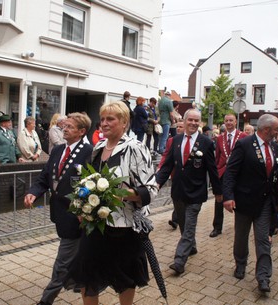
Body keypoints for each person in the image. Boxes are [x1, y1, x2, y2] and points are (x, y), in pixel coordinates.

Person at [64, 101, 158, 305]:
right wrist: (82, 205)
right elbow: (90, 181)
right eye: (103, 118)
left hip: (124, 228)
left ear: (124, 122)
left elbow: (150, 189)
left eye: (110, 119)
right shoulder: (98, 147)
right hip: (96, 225)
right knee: (87, 274)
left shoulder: (135, 148)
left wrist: (120, 194)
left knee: (125, 277)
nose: (104, 123)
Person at [24, 112, 93, 305]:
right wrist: (33, 192)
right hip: (60, 213)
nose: (65, 129)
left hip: (76, 217)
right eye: (65, 125)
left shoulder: (90, 152)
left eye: (70, 126)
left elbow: (93, 185)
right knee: (76, 255)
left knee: (63, 260)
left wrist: (84, 210)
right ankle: (78, 281)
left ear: (82, 131)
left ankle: (47, 299)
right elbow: (44, 177)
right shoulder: (57, 150)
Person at [156, 109, 222, 275]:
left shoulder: (206, 142)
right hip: (178, 191)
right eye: (190, 120)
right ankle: (191, 247)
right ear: (184, 121)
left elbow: (212, 169)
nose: (193, 123)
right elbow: (167, 166)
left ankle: (179, 261)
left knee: (190, 225)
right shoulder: (175, 140)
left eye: (196, 120)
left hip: (196, 192)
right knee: (184, 225)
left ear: (199, 123)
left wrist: (219, 192)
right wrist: (156, 183)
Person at [223, 114, 278, 293]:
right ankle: (240, 263)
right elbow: (231, 172)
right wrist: (228, 196)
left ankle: (263, 277)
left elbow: (275, 176)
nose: (277, 134)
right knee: (241, 236)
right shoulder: (244, 144)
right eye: (275, 130)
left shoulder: (273, 146)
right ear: (266, 130)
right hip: (245, 200)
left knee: (263, 239)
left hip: (265, 202)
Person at [210, 114, 246, 238]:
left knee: (238, 201)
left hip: (238, 174)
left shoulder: (243, 136)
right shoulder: (220, 138)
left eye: (231, 120)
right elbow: (218, 157)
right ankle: (217, 227)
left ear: (236, 122)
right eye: (226, 121)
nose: (229, 123)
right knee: (219, 201)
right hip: (222, 172)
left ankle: (239, 228)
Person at [157, 120, 184, 229]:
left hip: (187, 175)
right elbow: (166, 155)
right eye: (177, 127)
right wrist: (160, 167)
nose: (178, 129)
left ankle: (177, 219)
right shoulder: (171, 140)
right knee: (176, 196)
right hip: (175, 173)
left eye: (181, 127)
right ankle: (176, 219)